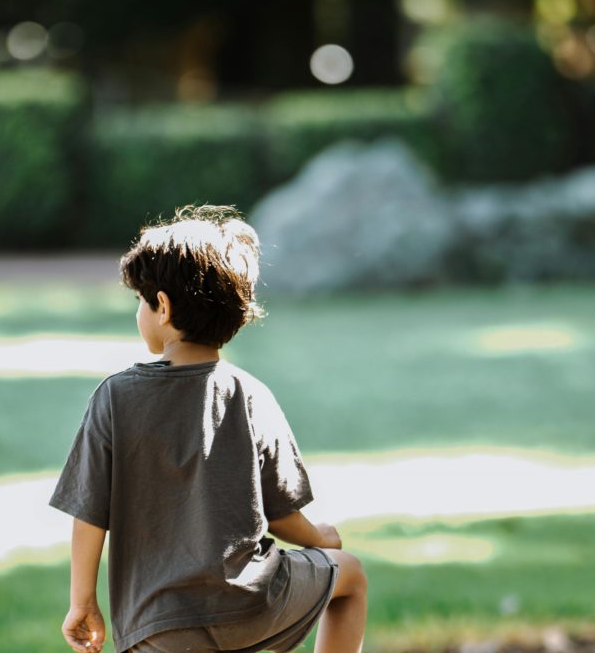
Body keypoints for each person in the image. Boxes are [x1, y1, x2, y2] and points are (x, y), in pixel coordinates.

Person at [49, 205, 367, 653]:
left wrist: (83, 602)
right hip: (252, 608)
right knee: (348, 574)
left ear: (162, 306)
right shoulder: (250, 395)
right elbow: (281, 516)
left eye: (141, 299)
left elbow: (89, 513)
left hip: (156, 628)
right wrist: (323, 539)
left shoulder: (115, 397)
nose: (139, 310)